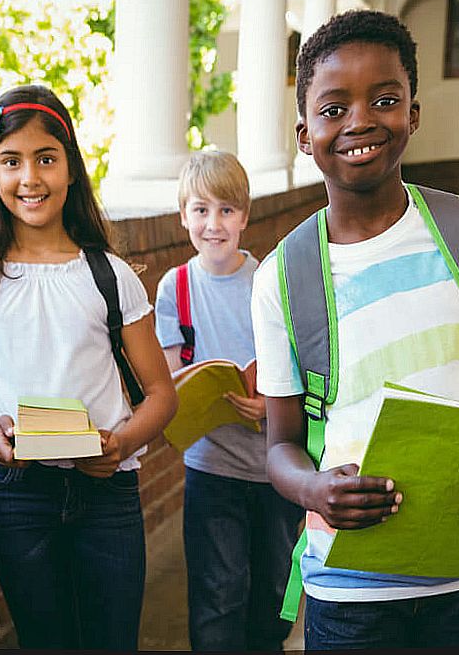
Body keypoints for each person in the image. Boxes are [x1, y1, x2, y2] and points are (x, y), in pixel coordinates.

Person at [250, 10, 459, 650]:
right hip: (348, 590)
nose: (360, 121)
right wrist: (313, 488)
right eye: (334, 109)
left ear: (413, 114)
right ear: (304, 134)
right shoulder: (282, 276)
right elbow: (280, 446)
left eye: (385, 100)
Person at [0, 84, 178, 649]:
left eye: (46, 158)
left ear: (71, 169)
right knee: (45, 639)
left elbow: (161, 394)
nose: (30, 178)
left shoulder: (110, 274)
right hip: (16, 491)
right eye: (11, 161)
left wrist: (121, 441)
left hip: (106, 490)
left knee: (113, 639)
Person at [153, 150, 303, 651]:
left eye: (225, 210)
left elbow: (300, 375)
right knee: (218, 599)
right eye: (200, 210)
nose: (212, 224)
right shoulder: (175, 288)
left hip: (273, 470)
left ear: (244, 216)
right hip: (211, 470)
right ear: (182, 216)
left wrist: (269, 408)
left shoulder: (270, 282)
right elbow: (173, 382)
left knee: (272, 598)